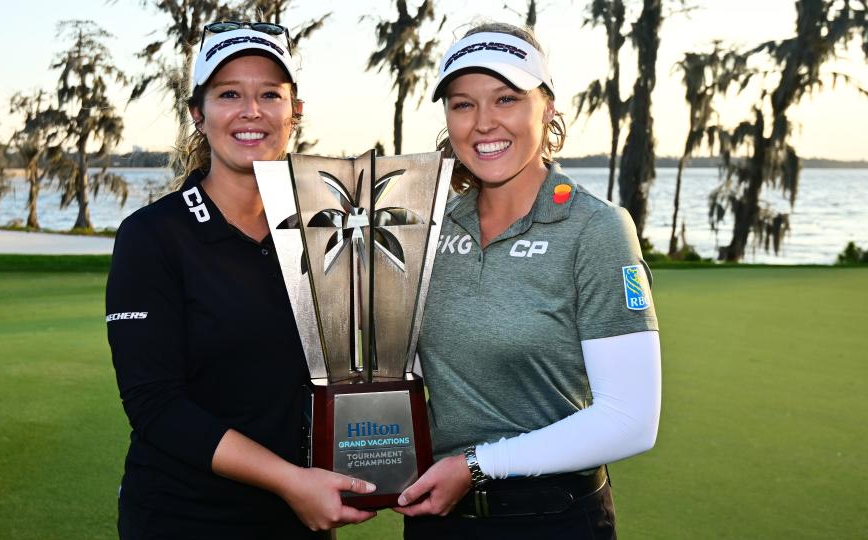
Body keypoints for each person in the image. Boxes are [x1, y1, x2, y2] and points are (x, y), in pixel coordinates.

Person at [105, 22, 376, 539]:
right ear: (197, 114)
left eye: (269, 94)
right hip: (184, 519)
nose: (251, 111)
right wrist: (290, 481)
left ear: (294, 113)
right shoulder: (152, 236)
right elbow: (155, 406)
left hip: (299, 522)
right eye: (229, 93)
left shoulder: (323, 231)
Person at [394, 23, 662, 539]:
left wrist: (476, 465)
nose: (483, 123)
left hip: (552, 519)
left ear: (549, 109)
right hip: (440, 520)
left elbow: (630, 418)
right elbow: (414, 373)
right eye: (462, 103)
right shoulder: (431, 227)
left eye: (507, 99)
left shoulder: (595, 228)